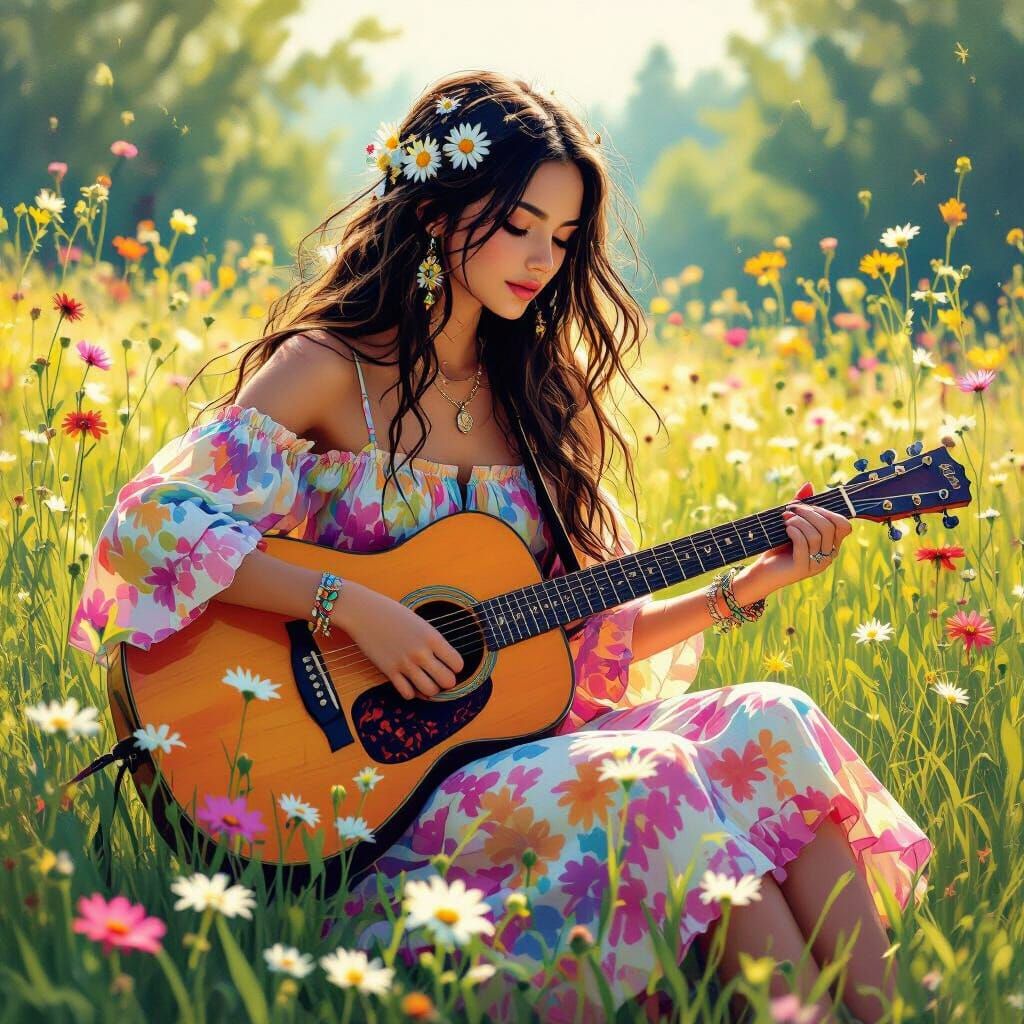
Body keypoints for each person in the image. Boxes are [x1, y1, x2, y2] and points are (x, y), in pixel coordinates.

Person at [68, 70, 931, 1022]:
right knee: (656, 778)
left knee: (772, 718)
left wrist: (747, 587)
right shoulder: (329, 369)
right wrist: (351, 606)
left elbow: (577, 646)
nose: (541, 259)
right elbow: (151, 527)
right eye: (520, 225)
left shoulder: (546, 407)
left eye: (562, 239)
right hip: (365, 803)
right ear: (440, 211)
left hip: (512, 762)